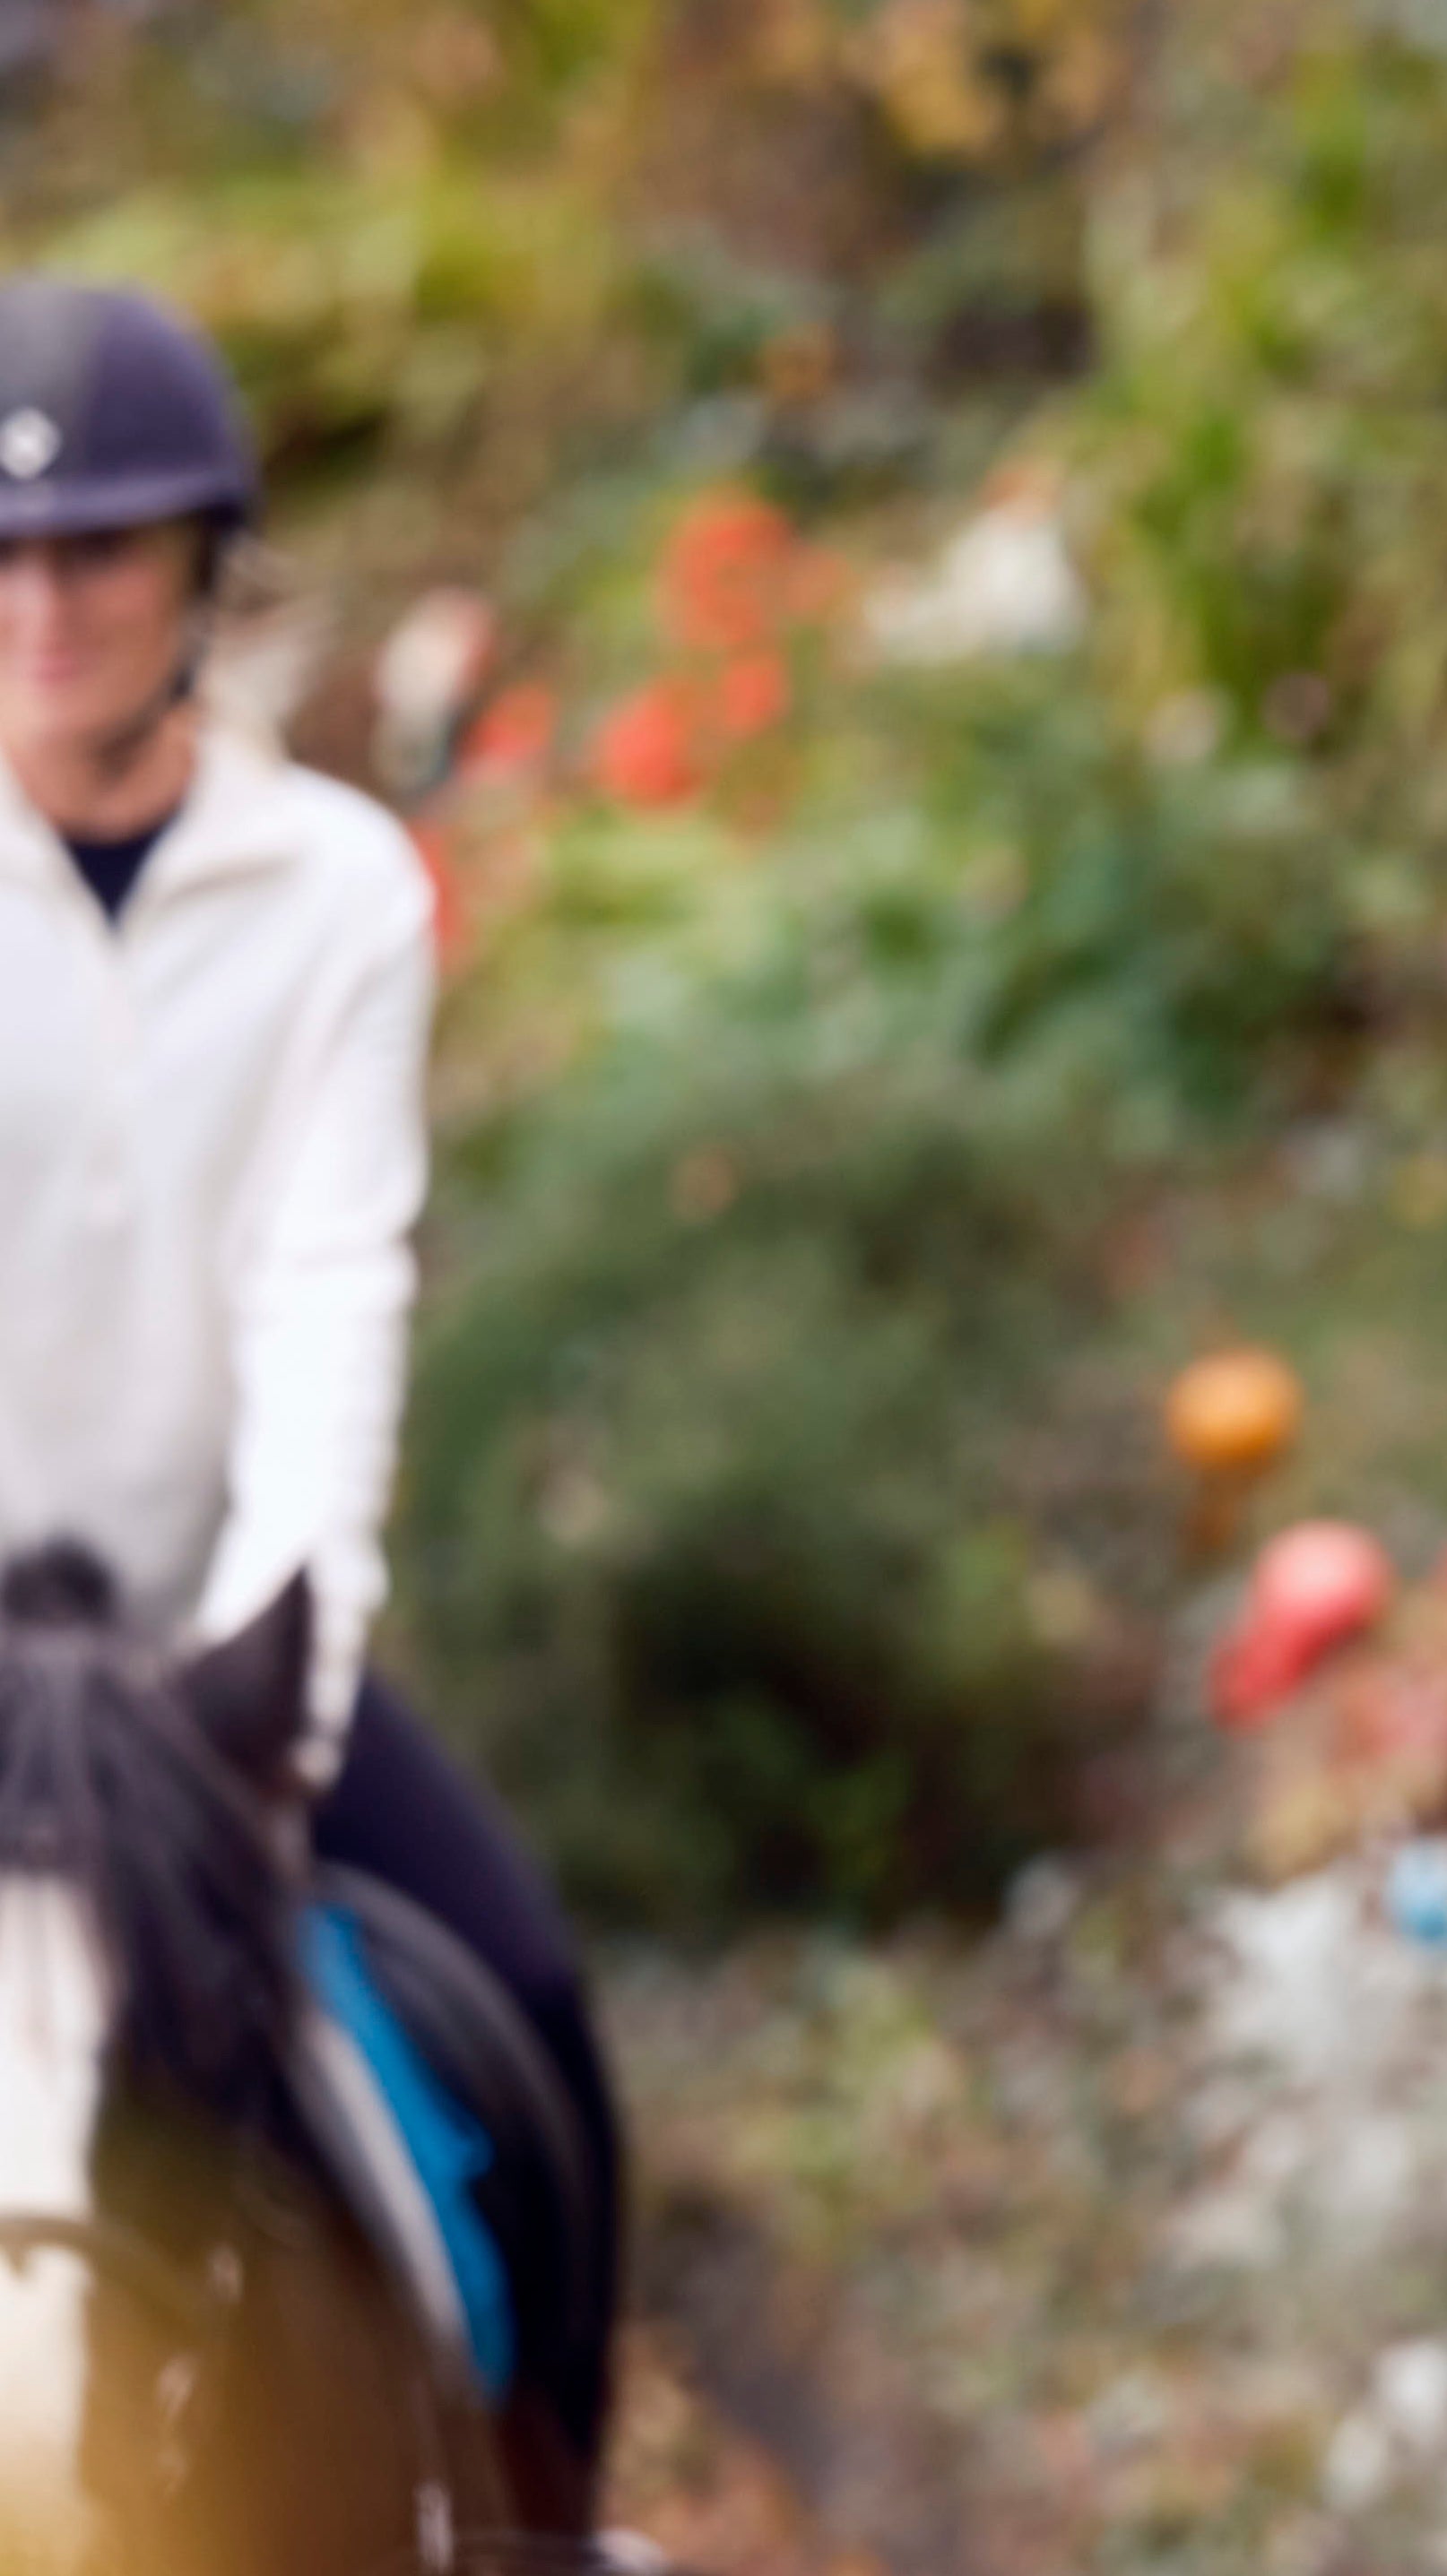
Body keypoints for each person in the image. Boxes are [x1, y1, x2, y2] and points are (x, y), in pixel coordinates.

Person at [0, 277, 620, 2461]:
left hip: (211, 1671)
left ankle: (548, 2508)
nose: (44, 600)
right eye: (5, 555)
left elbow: (326, 1303)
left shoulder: (339, 893)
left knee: (525, 1998)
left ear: (197, 569)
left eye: (98, 547)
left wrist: (268, 1736)